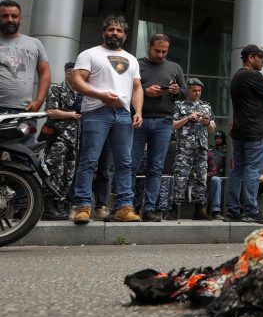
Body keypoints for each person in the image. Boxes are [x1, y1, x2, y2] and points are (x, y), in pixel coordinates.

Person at [71, 15, 143, 224]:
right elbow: (77, 81)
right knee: (88, 161)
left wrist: (137, 110)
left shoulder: (132, 59)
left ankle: (124, 207)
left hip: (123, 114)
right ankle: (83, 207)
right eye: (111, 29)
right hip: (96, 112)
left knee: (124, 163)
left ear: (125, 35)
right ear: (104, 32)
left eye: (119, 31)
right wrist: (100, 95)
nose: (115, 33)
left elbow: (137, 87)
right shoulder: (90, 54)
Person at [131, 34, 186, 222]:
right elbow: (127, 89)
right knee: (130, 164)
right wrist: (146, 91)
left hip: (164, 122)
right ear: (149, 47)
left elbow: (185, 93)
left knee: (156, 167)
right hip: (139, 120)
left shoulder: (174, 67)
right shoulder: (136, 64)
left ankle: (149, 209)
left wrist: (177, 91)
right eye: (157, 51)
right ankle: (126, 206)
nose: (161, 55)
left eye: (164, 51)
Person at [227, 45, 263, 223]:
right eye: (260, 57)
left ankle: (233, 210)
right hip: (255, 131)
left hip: (240, 130)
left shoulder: (237, 77)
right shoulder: (253, 75)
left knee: (238, 169)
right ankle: (250, 210)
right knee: (253, 170)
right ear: (250, 57)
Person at [0, 0, 51, 142]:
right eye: (4, 16)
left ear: (20, 18)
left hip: (24, 111)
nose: (9, 20)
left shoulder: (34, 43)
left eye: (14, 16)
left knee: (22, 156)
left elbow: (45, 73)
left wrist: (39, 100)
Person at [168, 78, 215, 220]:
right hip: (185, 148)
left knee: (201, 178)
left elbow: (213, 128)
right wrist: (188, 118)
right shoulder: (179, 105)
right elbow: (173, 125)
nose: (197, 93)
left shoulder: (206, 106)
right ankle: (174, 210)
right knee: (180, 178)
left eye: (199, 91)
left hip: (201, 148)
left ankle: (199, 210)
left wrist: (207, 123)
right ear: (188, 90)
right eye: (194, 91)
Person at [41, 62, 81, 220]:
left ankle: (60, 206)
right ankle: (48, 208)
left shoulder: (80, 94)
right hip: (58, 139)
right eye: (76, 74)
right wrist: (72, 114)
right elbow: (50, 111)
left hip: (74, 141)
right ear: (68, 74)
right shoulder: (57, 89)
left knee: (67, 176)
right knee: (53, 173)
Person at [207, 130, 227, 220]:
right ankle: (208, 212)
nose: (218, 140)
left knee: (220, 193)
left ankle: (216, 212)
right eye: (216, 138)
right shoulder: (211, 150)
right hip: (209, 175)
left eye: (220, 138)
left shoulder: (227, 150)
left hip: (220, 175)